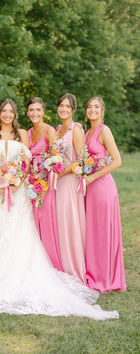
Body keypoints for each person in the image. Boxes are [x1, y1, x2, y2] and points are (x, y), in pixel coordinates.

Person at [0, 98, 118, 320]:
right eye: (4, 111)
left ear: (16, 115)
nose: (7, 114)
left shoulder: (22, 134)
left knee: (19, 231)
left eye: (11, 111)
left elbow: (25, 163)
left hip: (20, 188)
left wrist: (17, 180)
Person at [84, 96, 126, 293]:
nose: (92, 110)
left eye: (96, 107)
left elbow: (117, 161)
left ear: (102, 111)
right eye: (89, 107)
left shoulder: (104, 130)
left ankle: (105, 277)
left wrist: (92, 178)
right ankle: (93, 272)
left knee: (102, 231)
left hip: (102, 188)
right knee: (92, 231)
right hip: (89, 189)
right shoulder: (86, 132)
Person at [27, 97, 62, 271]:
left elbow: (56, 161)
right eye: (31, 110)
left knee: (47, 223)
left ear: (43, 112)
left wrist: (46, 187)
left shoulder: (49, 131)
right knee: (33, 223)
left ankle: (52, 265)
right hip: (32, 184)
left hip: (47, 185)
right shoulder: (27, 133)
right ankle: (36, 265)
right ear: (27, 113)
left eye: (38, 110)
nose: (35, 113)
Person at [55, 93, 87, 284]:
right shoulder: (58, 129)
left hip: (68, 181)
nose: (64, 109)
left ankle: (73, 267)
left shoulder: (76, 130)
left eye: (68, 106)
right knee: (59, 223)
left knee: (69, 222)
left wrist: (61, 172)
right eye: (61, 106)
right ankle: (61, 264)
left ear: (73, 110)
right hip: (56, 182)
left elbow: (82, 160)